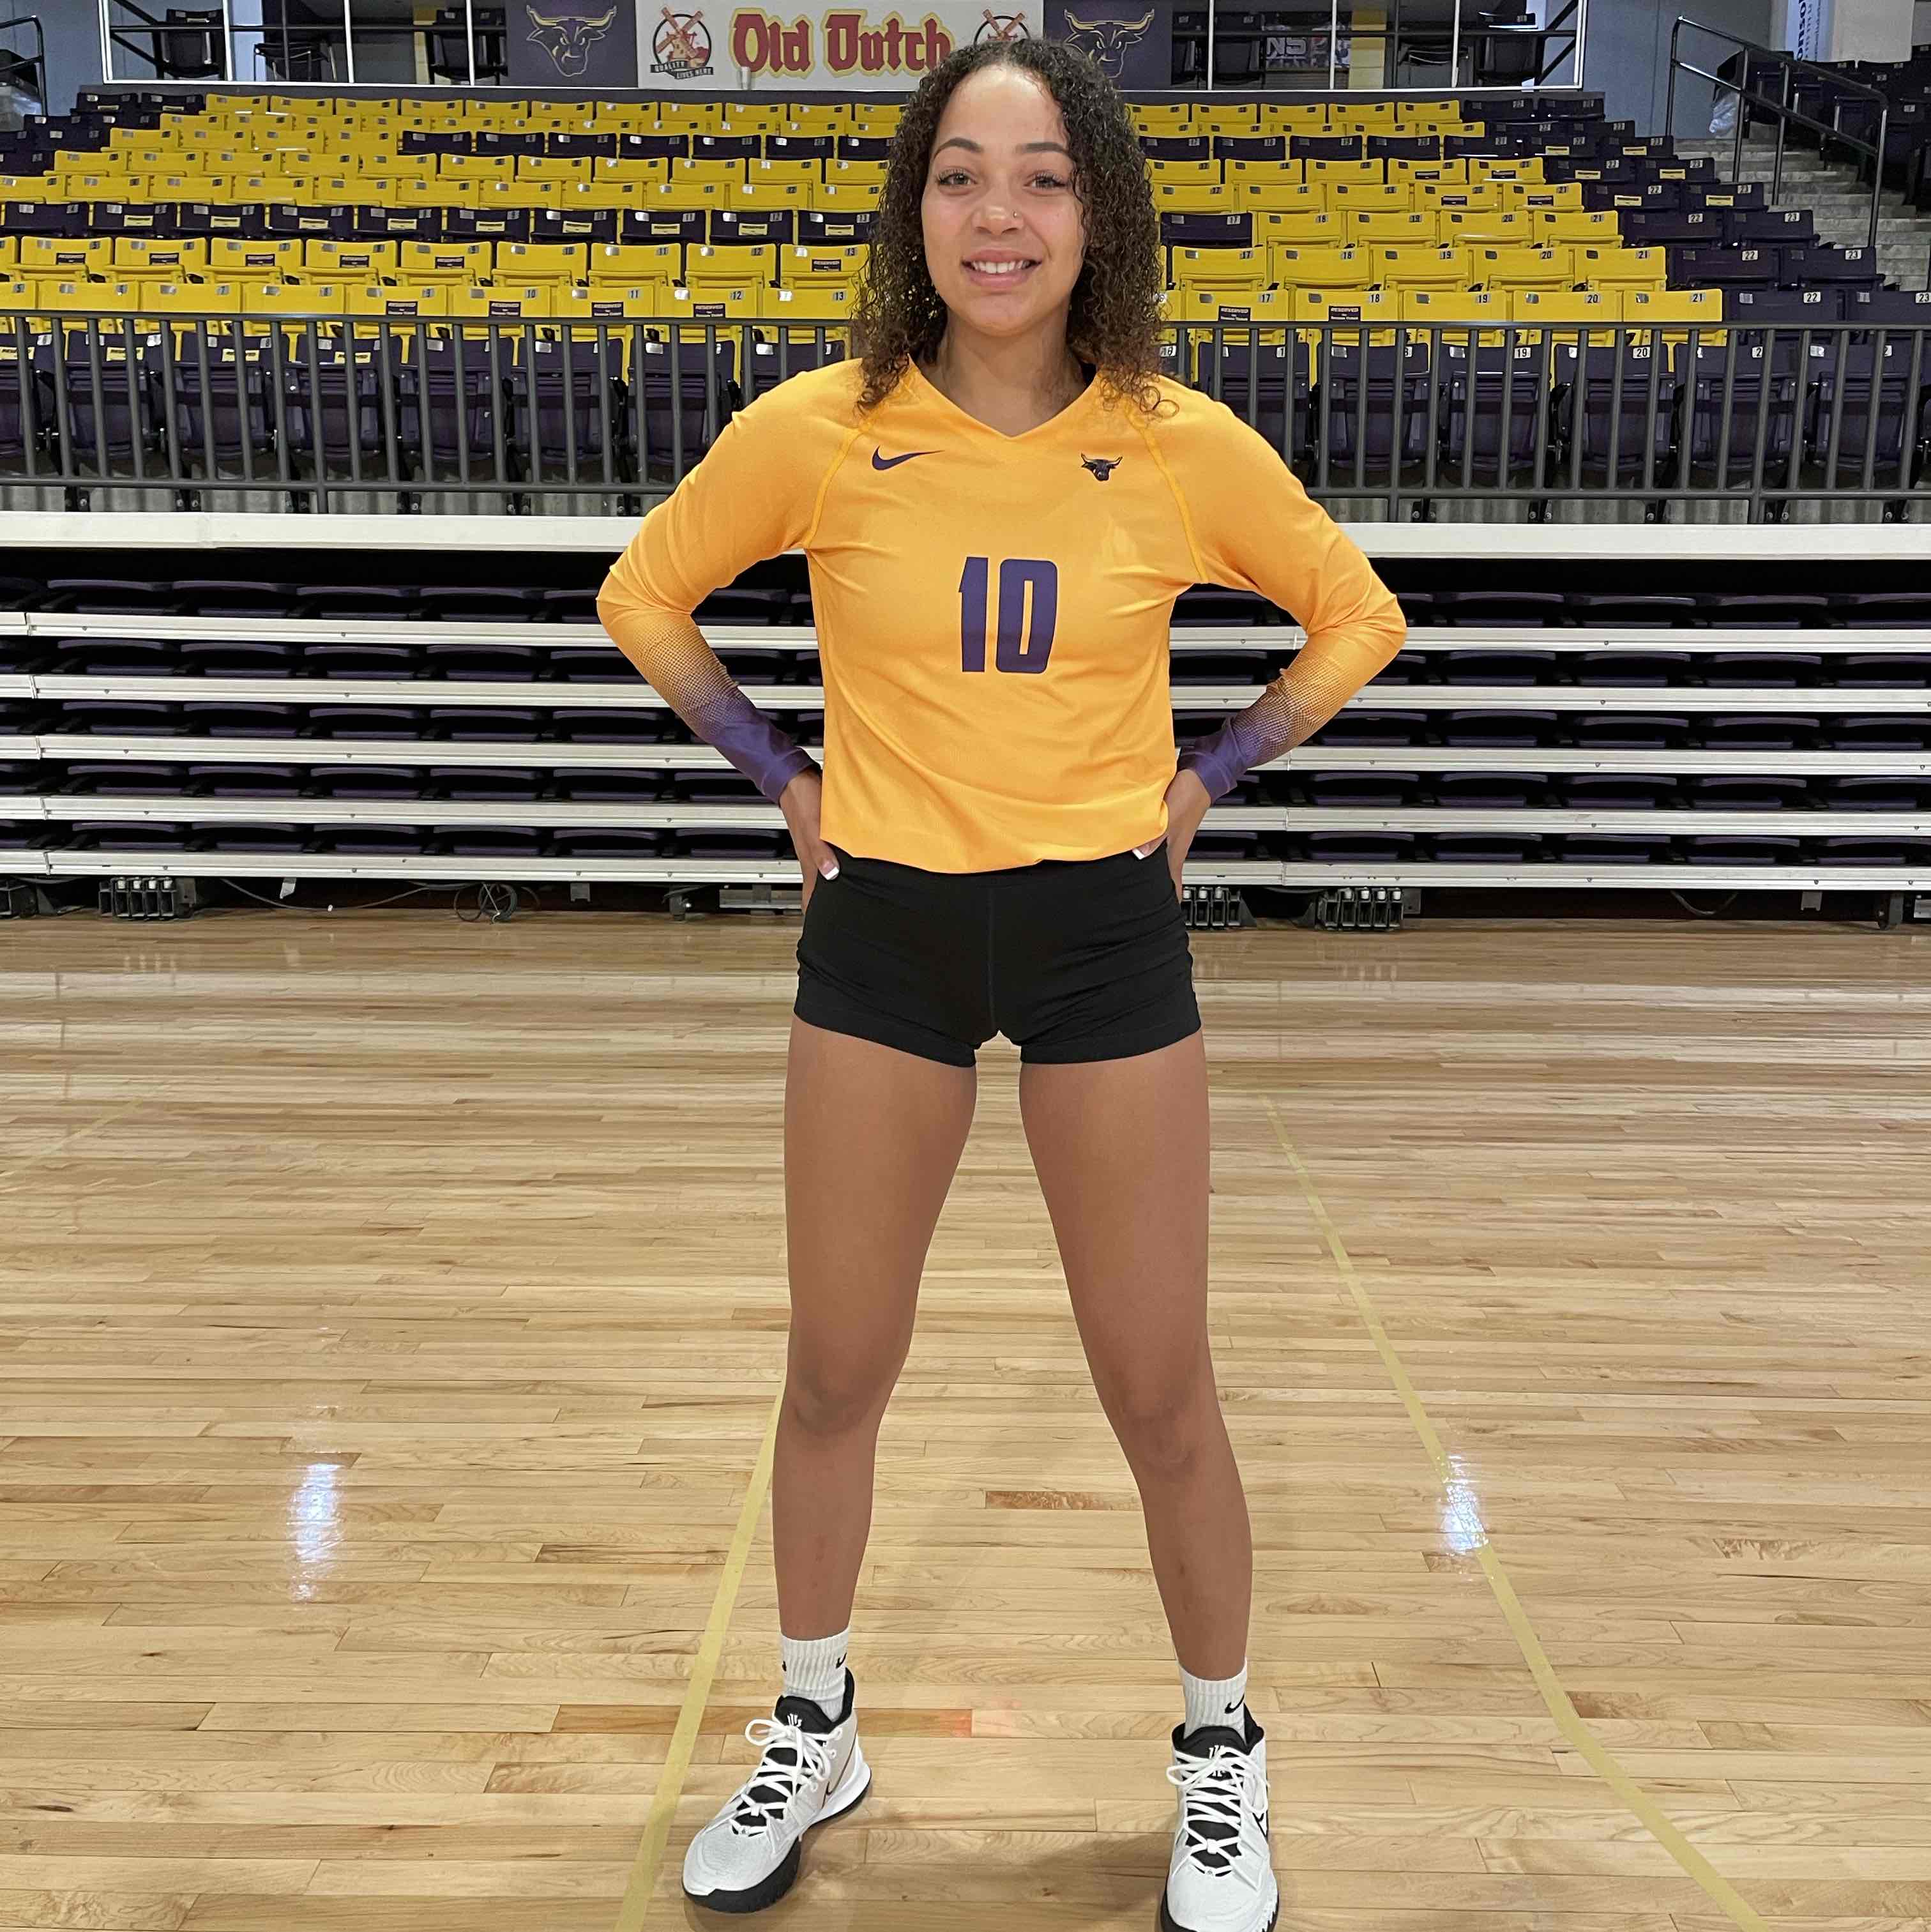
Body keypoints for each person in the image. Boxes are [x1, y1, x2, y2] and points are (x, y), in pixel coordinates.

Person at [598, 40, 1405, 1932]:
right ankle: (815, 1719)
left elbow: (1357, 616)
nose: (1000, 214)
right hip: (883, 928)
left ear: (1097, 210)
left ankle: (1221, 1749)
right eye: (961, 173)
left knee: (1162, 1388)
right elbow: (644, 593)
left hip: (1100, 936)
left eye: (1043, 175)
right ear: (917, 211)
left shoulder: (1179, 441)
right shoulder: (820, 426)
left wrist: (1207, 779)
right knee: (833, 1369)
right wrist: (780, 776)